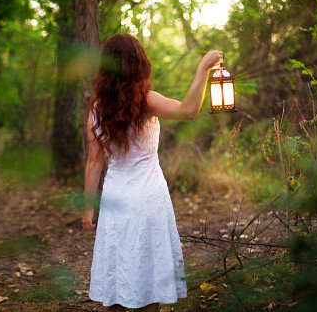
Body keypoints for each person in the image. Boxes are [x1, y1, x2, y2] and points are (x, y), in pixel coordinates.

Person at [82, 33, 224, 312]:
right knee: (149, 275)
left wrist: (89, 208)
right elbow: (187, 110)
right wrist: (203, 69)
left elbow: (93, 162)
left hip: (115, 198)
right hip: (148, 196)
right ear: (139, 63)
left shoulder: (97, 108)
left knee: (117, 270)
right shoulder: (145, 101)